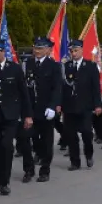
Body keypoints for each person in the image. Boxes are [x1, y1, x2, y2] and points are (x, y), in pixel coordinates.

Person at [0, 39, 33, 193]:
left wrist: (27, 115)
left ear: (3, 51)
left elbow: (24, 94)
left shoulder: (14, 69)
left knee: (6, 146)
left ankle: (5, 182)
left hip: (11, 115)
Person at [21, 36, 62, 182]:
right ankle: (29, 169)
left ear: (48, 50)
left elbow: (57, 88)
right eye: (35, 48)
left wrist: (52, 106)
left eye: (40, 48)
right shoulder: (27, 64)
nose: (37, 51)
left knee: (47, 142)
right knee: (25, 139)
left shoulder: (54, 66)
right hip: (30, 111)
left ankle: (45, 170)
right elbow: (24, 88)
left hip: (46, 111)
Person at [61, 40, 102, 170]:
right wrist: (59, 104)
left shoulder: (90, 66)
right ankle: (75, 162)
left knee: (86, 133)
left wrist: (98, 105)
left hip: (85, 106)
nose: (74, 53)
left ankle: (89, 154)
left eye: (76, 50)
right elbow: (61, 87)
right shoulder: (66, 66)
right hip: (69, 107)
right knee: (71, 135)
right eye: (72, 51)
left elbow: (96, 88)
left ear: (82, 50)